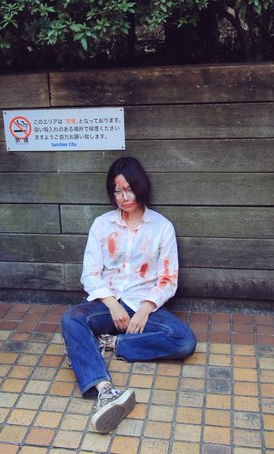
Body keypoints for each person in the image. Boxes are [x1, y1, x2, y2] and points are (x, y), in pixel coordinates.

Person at [61, 156, 197, 433]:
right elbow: (90, 274)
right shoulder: (102, 225)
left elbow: (168, 280)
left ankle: (111, 343)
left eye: (129, 190)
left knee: (184, 340)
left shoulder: (161, 227)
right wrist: (112, 304)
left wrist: (145, 309)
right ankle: (105, 390)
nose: (124, 198)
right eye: (117, 191)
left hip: (143, 304)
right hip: (107, 304)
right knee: (71, 318)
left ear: (141, 187)